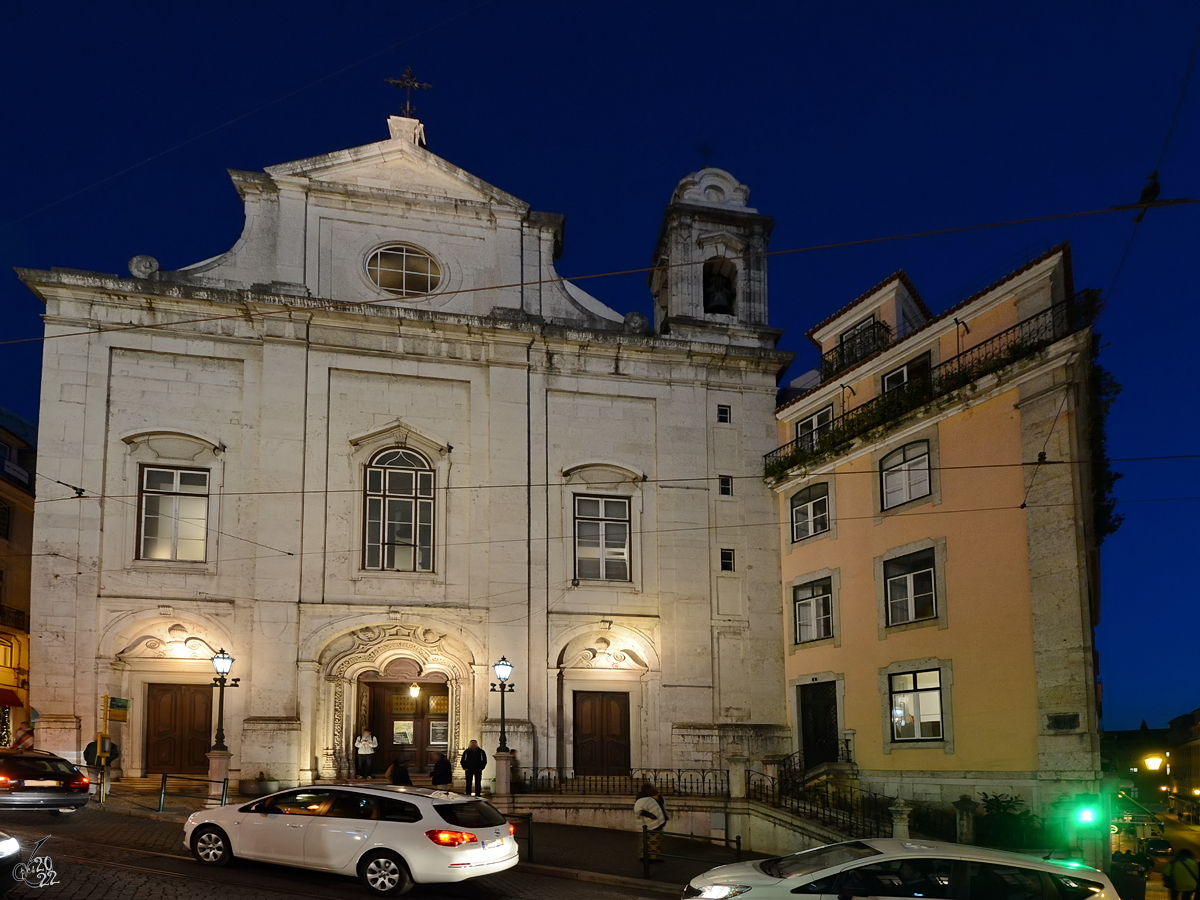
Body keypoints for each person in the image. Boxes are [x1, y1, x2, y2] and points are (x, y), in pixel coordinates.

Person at [633, 782, 667, 861]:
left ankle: (654, 857)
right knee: (649, 842)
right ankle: (648, 857)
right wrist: (649, 815)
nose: (654, 790)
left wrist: (660, 798)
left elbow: (661, 805)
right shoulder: (642, 800)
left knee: (657, 842)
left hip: (656, 824)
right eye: (652, 789)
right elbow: (638, 810)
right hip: (649, 824)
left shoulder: (654, 798)